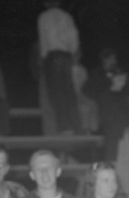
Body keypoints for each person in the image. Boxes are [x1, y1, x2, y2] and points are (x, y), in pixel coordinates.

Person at [37, 0, 81, 134]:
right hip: (67, 56)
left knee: (57, 93)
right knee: (69, 91)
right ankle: (76, 126)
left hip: (53, 56)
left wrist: (44, 59)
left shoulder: (44, 17)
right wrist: (72, 53)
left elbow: (44, 41)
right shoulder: (67, 16)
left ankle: (65, 127)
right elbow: (74, 36)